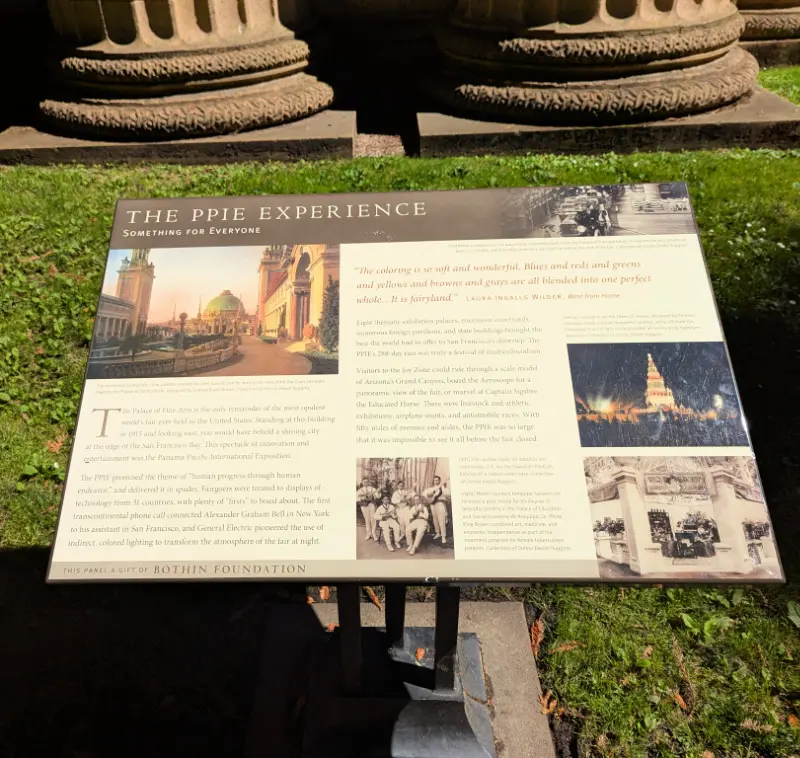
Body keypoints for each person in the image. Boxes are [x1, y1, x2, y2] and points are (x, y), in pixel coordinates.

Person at [423, 475, 449, 545]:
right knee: (435, 519)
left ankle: (443, 536)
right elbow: (425, 494)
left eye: (437, 480)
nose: (436, 481)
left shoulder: (442, 487)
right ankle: (438, 533)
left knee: (441, 520)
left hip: (440, 504)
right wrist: (429, 494)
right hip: (432, 505)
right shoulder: (431, 489)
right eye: (435, 480)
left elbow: (447, 494)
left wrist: (443, 487)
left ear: (440, 481)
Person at [356, 477, 379, 542]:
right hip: (364, 505)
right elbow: (356, 498)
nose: (365, 483)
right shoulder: (359, 490)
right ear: (362, 483)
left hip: (371, 505)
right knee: (367, 519)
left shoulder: (372, 489)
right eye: (364, 482)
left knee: (373, 519)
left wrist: (377, 493)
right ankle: (368, 534)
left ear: (368, 482)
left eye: (367, 482)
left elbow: (378, 496)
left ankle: (374, 533)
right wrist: (363, 499)